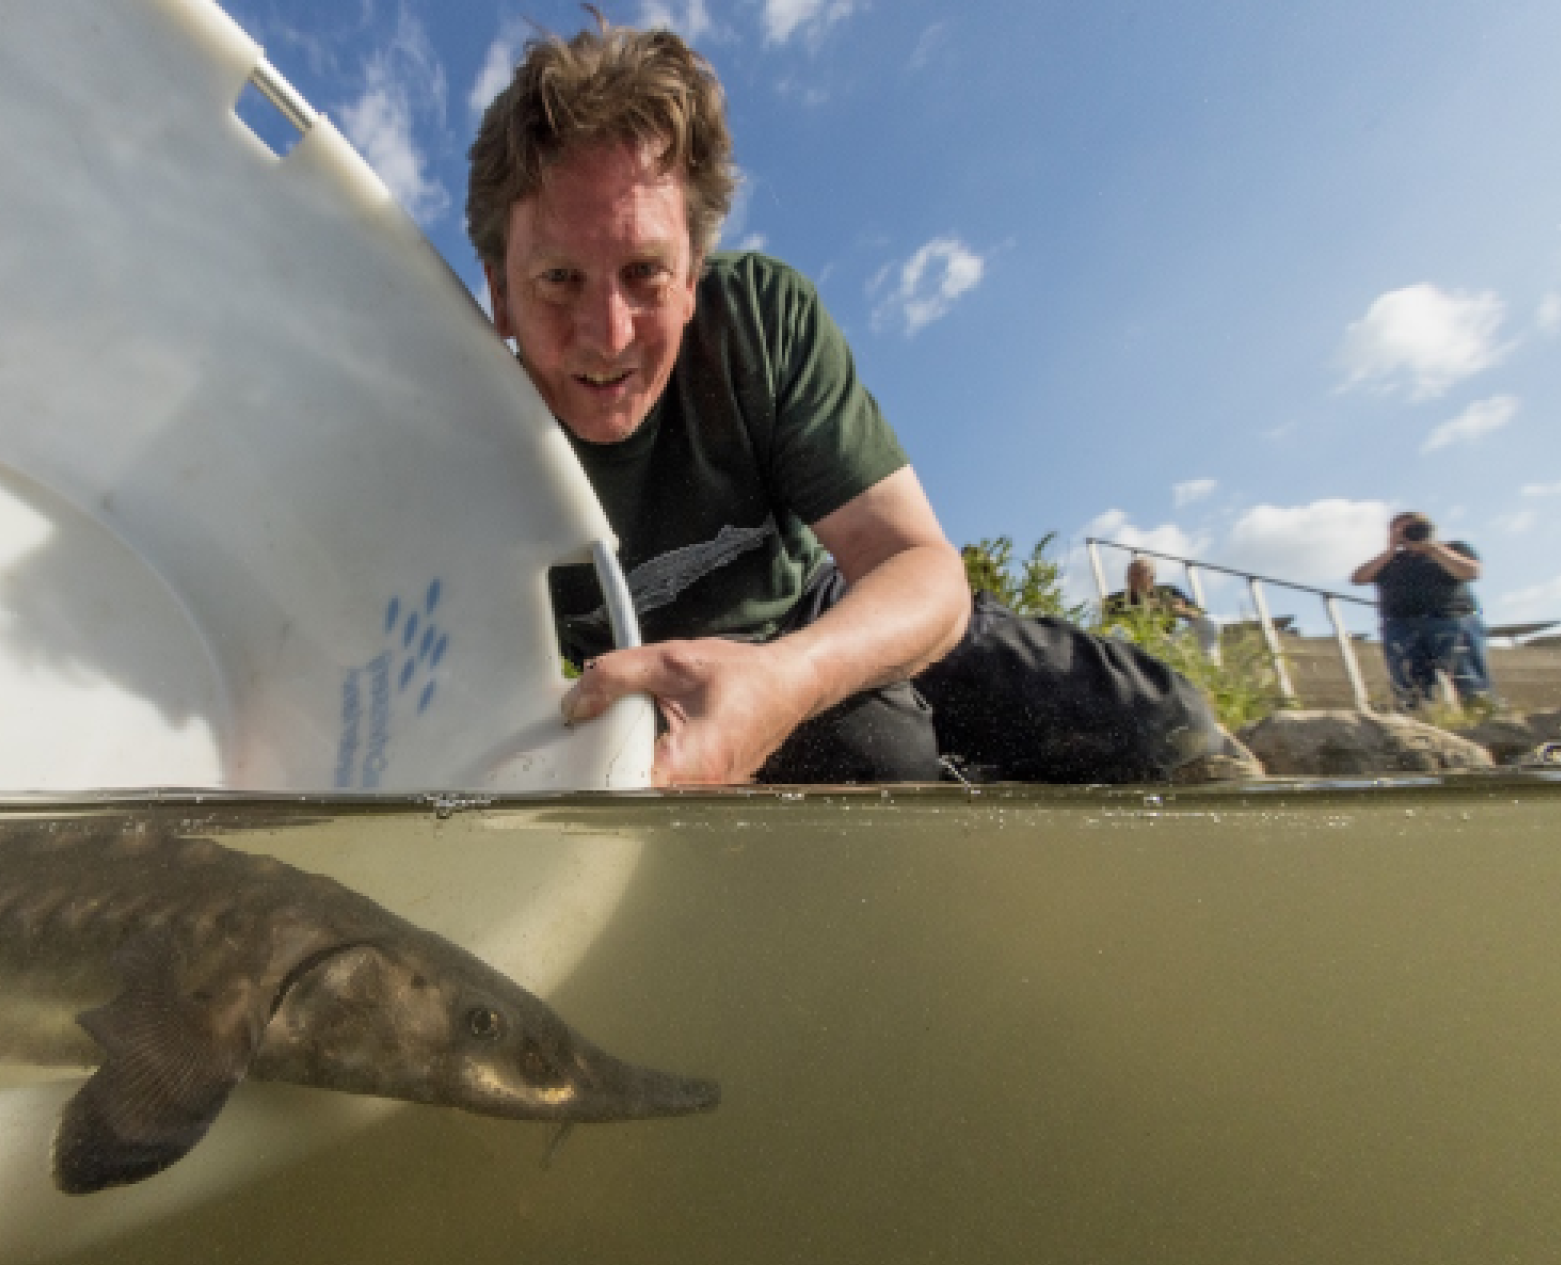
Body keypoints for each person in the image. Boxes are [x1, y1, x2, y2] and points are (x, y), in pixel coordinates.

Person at [467, 18, 1222, 785]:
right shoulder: (456, 443)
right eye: (558, 279)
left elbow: (915, 564)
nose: (607, 335)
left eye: (645, 274)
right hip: (639, 702)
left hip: (821, 619)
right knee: (879, 758)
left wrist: (788, 679)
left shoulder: (761, 322)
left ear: (693, 276)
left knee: (1162, 730)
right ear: (499, 295)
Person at [1350, 511, 1494, 710]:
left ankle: (1484, 721)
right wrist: (1390, 550)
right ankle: (1420, 722)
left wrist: (1432, 548)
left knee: (1470, 681)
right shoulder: (1389, 560)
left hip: (1451, 620)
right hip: (1401, 625)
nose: (1407, 534)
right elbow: (1358, 578)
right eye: (1399, 531)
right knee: (1410, 687)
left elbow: (1471, 572)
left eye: (1412, 528)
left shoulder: (1452, 548)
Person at [1102, 557, 1222, 661]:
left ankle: (1213, 673)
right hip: (1134, 646)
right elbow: (1109, 630)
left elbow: (1199, 615)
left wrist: (1182, 611)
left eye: (1139, 573)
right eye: (1130, 574)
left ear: (1152, 576)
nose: (1133, 578)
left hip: (1169, 643)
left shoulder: (1168, 591)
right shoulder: (1114, 600)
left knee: (1209, 621)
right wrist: (1146, 609)